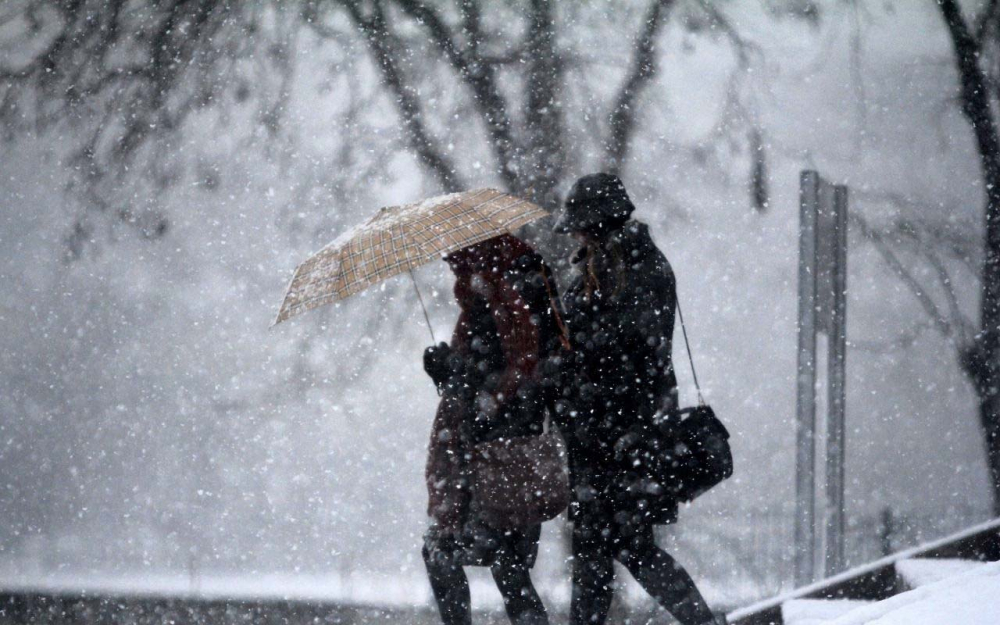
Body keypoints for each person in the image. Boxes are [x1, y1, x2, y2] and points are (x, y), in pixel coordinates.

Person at [553, 173, 723, 625]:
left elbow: (634, 353)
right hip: (597, 438)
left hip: (628, 436)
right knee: (596, 553)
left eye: (582, 227)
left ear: (601, 224)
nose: (576, 235)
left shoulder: (642, 270)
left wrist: (577, 344)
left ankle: (703, 623)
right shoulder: (596, 272)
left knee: (628, 547)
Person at [421, 233, 565, 625]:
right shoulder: (498, 292)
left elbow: (513, 373)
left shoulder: (503, 294)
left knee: (460, 555)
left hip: (498, 455)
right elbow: (495, 372)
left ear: (475, 252)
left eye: (456, 256)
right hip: (506, 453)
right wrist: (447, 368)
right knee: (505, 566)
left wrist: (460, 375)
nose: (451, 264)